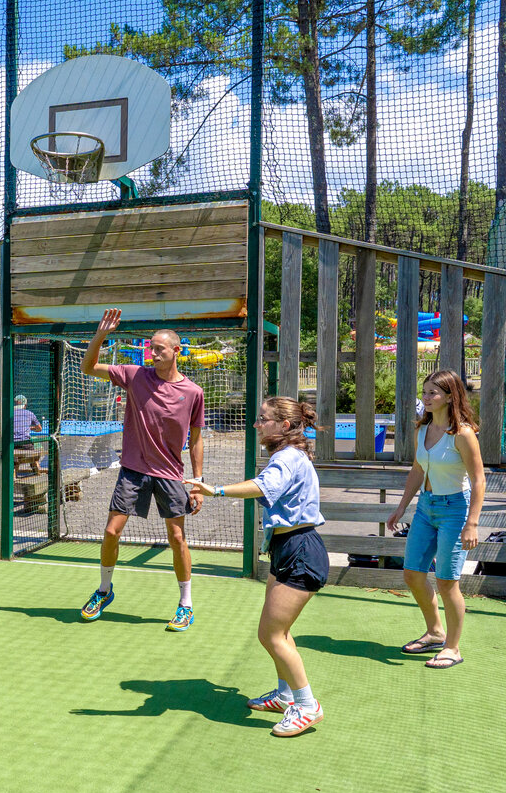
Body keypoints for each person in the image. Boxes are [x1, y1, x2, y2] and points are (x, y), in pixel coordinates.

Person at [185, 397, 328, 737]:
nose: (256, 424)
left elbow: (264, 487)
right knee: (279, 631)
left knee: (271, 634)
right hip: (286, 547)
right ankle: (284, 695)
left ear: (285, 426)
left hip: (301, 550)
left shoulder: (288, 457)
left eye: (263, 419)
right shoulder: (288, 456)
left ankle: (307, 705)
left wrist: (215, 490)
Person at [77, 308, 205, 631]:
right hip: (132, 470)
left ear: (177, 351)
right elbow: (88, 366)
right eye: (151, 347)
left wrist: (198, 481)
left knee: (177, 538)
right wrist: (101, 334)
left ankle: (185, 604)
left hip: (171, 475)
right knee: (110, 532)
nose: (152, 352)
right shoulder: (135, 375)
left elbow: (196, 439)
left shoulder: (193, 393)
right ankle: (104, 591)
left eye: (159, 348)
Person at [386, 369, 485, 669]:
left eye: (433, 393)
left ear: (450, 396)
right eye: (425, 392)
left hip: (455, 510)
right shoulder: (422, 430)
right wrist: (402, 506)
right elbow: (418, 470)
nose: (426, 398)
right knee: (413, 573)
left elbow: (479, 481)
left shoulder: (463, 434)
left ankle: (452, 648)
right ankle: (435, 632)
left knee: (446, 582)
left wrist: (472, 523)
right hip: (426, 507)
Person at [13, 394, 43, 476]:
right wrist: (32, 428)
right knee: (34, 457)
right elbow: (39, 428)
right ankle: (37, 472)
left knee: (14, 461)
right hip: (26, 443)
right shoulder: (29, 413)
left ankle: (14, 475)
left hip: (12, 444)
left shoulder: (9, 413)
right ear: (25, 405)